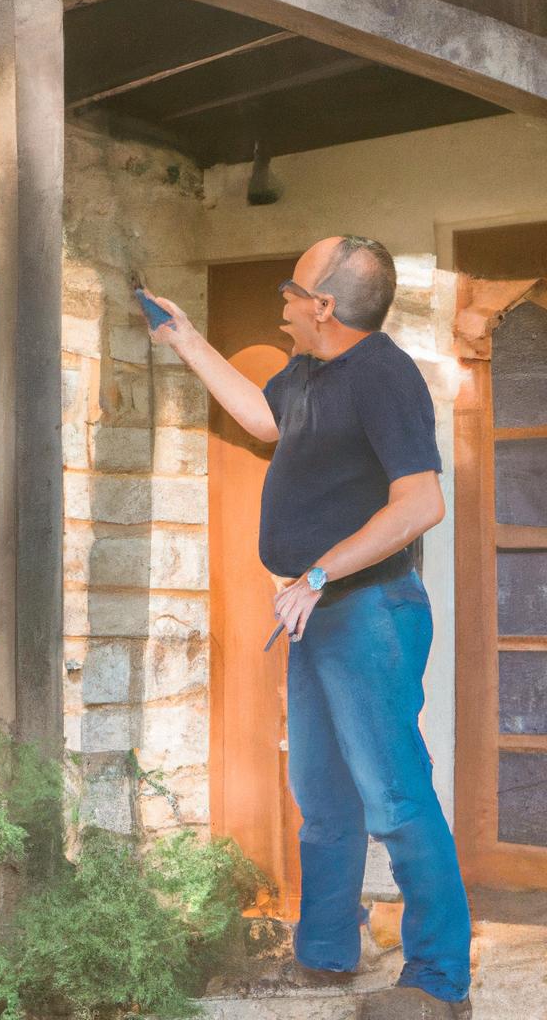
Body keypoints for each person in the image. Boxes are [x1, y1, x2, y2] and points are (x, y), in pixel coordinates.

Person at [141, 235, 472, 1020]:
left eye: (291, 289)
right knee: (323, 795)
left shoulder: (384, 378)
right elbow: (263, 418)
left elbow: (421, 503)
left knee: (394, 798)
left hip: (369, 615)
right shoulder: (314, 371)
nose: (281, 301)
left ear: (323, 306)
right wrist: (185, 338)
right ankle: (326, 956)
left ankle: (439, 984)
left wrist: (321, 572)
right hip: (319, 615)